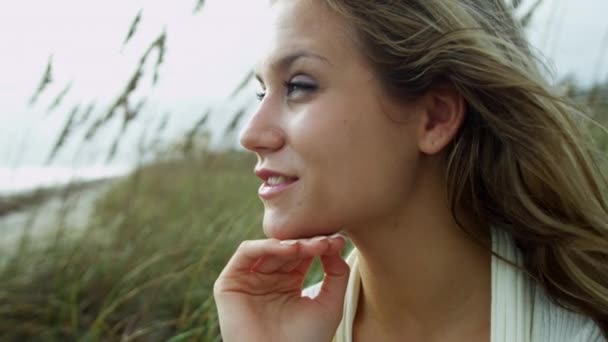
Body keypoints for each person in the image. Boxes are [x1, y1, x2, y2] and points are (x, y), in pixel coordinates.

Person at [213, 0, 608, 341]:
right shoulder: (291, 330)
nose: (251, 134)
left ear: (435, 118)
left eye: (299, 86)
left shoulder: (581, 332)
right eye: (261, 92)